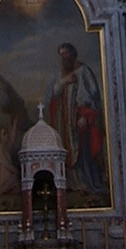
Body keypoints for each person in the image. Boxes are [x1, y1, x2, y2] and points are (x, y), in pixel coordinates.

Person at [44, 42, 106, 199]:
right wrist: (63, 82)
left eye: (66, 55)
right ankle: (70, 183)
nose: (64, 59)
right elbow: (52, 96)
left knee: (82, 150)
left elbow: (92, 96)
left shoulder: (84, 72)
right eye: (62, 56)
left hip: (79, 119)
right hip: (62, 122)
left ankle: (85, 183)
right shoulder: (60, 76)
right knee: (65, 149)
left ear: (73, 55)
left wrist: (86, 116)